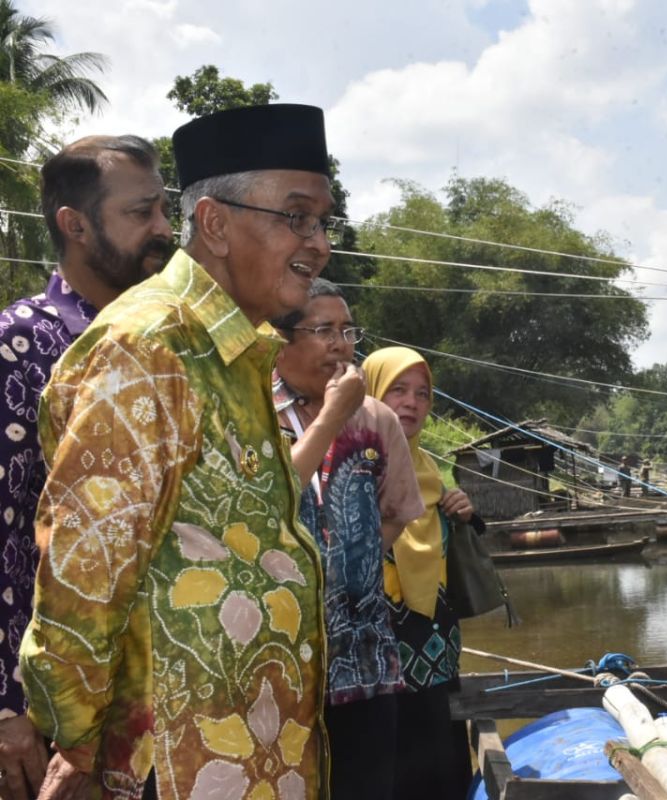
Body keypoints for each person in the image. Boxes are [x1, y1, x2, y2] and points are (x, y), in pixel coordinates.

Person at [20, 104, 341, 799]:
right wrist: (74, 744)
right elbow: (85, 573)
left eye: (322, 221)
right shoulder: (150, 348)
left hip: (255, 759)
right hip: (174, 767)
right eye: (296, 216)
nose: (317, 244)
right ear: (215, 224)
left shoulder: (238, 353)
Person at [0, 134, 172, 800]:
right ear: (74, 224)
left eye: (163, 210)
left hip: (162, 703)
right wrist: (8, 708)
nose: (162, 230)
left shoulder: (163, 344)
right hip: (54, 716)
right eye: (141, 213)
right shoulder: (23, 344)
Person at [272, 280, 424, 799]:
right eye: (322, 330)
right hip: (278, 663)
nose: (340, 344)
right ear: (280, 338)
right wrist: (334, 414)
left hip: (363, 658)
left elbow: (396, 512)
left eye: (346, 331)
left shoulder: (376, 419)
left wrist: (349, 567)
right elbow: (266, 502)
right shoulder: (251, 412)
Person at [362, 347, 479, 800]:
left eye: (423, 394)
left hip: (438, 659)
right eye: (398, 389)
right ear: (369, 390)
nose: (412, 402)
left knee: (446, 768)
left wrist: (463, 511)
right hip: (377, 666)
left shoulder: (430, 471)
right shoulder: (350, 467)